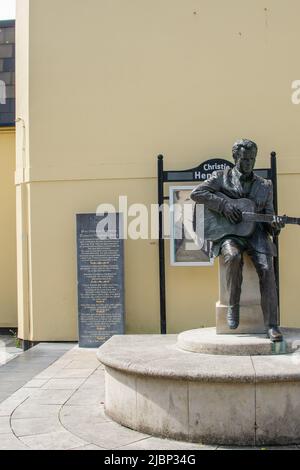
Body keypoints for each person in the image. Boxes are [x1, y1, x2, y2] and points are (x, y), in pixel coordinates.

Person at [190, 139, 285, 342]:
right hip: (230, 234)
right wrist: (223, 205)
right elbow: (197, 193)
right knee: (232, 256)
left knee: (267, 268)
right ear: (235, 158)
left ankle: (272, 325)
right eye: (244, 159)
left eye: (252, 159)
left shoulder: (265, 186)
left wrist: (274, 225)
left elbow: (269, 217)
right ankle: (233, 306)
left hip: (256, 233)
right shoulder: (220, 177)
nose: (248, 163)